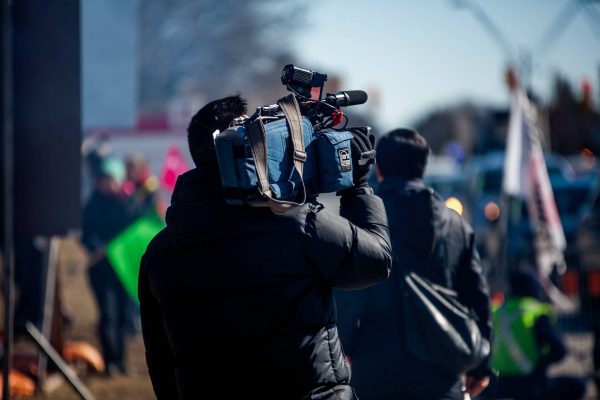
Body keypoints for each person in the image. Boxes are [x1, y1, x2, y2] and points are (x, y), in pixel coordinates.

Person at [138, 94, 392, 400]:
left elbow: (161, 362)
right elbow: (376, 261)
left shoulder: (159, 253)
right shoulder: (299, 225)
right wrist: (358, 189)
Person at [338, 128, 493, 399]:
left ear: (380, 169)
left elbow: (351, 293)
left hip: (376, 370)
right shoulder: (456, 225)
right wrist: (481, 367)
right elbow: (477, 298)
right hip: (442, 370)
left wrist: (344, 348)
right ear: (423, 166)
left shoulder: (366, 220)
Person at [485, 268, 586, 400]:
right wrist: (542, 362)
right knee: (578, 385)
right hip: (531, 385)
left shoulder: (496, 312)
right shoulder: (536, 312)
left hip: (498, 385)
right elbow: (559, 350)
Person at [82, 155, 135, 375]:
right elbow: (86, 233)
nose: (108, 183)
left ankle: (121, 361)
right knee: (108, 316)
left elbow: (134, 231)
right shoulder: (93, 203)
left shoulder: (128, 202)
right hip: (101, 269)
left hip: (122, 269)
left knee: (124, 316)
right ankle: (110, 362)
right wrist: (98, 247)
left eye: (111, 179)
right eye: (104, 179)